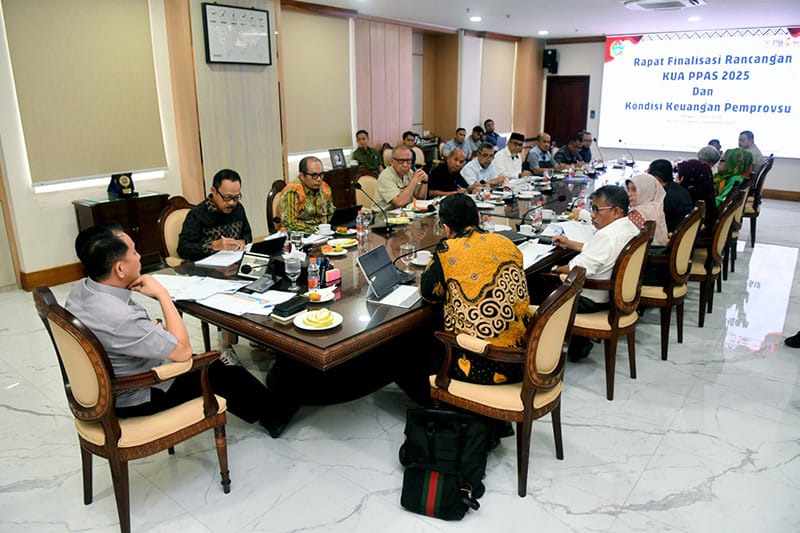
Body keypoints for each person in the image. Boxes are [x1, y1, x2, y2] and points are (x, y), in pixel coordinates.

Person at [66, 224, 298, 437]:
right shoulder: (121, 317)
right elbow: (183, 353)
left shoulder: (82, 290)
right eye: (134, 253)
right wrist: (162, 294)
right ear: (119, 268)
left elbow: (127, 332)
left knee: (213, 366)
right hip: (136, 395)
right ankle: (276, 416)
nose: (138, 257)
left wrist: (153, 328)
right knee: (222, 372)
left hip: (104, 388)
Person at [420, 194, 531, 384]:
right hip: (522, 357)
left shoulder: (448, 250)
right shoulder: (506, 242)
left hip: (480, 363)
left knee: (411, 350)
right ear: (479, 218)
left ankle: (441, 400)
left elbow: (429, 293)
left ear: (446, 227)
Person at [552, 186, 639, 361]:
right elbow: (600, 254)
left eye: (596, 209)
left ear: (616, 211)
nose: (592, 215)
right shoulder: (630, 228)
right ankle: (578, 344)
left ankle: (551, 350)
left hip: (590, 300)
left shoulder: (607, 236)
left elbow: (575, 271)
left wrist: (554, 270)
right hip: (614, 296)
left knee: (535, 283)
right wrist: (569, 243)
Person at [178, 168, 252, 261]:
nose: (232, 203)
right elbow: (183, 249)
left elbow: (247, 234)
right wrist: (213, 246)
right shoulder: (197, 215)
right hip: (206, 268)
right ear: (213, 191)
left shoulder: (238, 209)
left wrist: (243, 241)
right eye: (227, 197)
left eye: (236, 197)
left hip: (233, 262)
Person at [280, 156, 335, 232]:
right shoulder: (293, 192)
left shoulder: (325, 187)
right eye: (314, 175)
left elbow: (330, 213)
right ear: (302, 176)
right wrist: (315, 230)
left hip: (323, 234)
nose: (319, 179)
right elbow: (290, 224)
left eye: (321, 174)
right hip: (301, 236)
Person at [373, 146, 429, 219]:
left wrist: (425, 182)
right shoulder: (386, 176)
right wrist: (414, 181)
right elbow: (399, 203)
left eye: (408, 161)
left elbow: (420, 198)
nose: (405, 165)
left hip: (403, 215)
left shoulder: (409, 172)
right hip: (383, 216)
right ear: (392, 161)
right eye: (401, 161)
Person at [647, 159, 692, 233]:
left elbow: (653, 221)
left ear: (657, 179)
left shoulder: (664, 196)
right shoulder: (680, 189)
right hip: (681, 232)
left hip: (669, 235)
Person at [626, 173, 669, 247]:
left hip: (643, 254)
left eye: (634, 190)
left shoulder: (636, 213)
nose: (629, 194)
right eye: (628, 189)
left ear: (645, 190)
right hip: (659, 251)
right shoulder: (655, 207)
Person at [676, 159, 717, 231]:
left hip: (693, 233)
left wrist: (677, 188)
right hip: (703, 229)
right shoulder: (706, 190)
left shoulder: (688, 195)